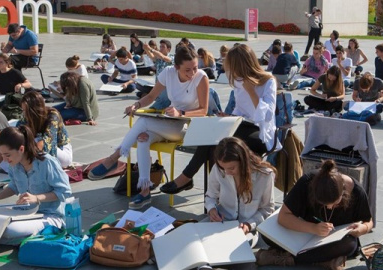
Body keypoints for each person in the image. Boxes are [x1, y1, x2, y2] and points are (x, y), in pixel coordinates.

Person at [88, 46, 209, 210]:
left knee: (144, 122)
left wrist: (180, 112)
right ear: (176, 67)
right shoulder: (168, 73)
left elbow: (204, 110)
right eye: (188, 69)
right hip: (168, 124)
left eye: (195, 67)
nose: (192, 72)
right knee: (142, 138)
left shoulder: (201, 77)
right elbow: (151, 96)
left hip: (187, 126)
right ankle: (145, 191)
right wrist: (136, 105)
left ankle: (114, 157)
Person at [161, 44, 277, 195]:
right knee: (212, 141)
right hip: (241, 125)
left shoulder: (268, 81)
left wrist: (251, 92)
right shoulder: (238, 80)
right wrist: (229, 116)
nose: (231, 72)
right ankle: (213, 192)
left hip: (260, 131)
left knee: (215, 139)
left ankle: (189, 178)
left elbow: (265, 116)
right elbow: (240, 110)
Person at [256, 159, 373, 268]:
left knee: (349, 245)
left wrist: (363, 228)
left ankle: (285, 259)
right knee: (266, 235)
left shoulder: (356, 191)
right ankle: (325, 261)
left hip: (331, 240)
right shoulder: (306, 182)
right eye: (324, 204)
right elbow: (283, 217)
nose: (329, 207)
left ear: (343, 191)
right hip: (302, 233)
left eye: (335, 203)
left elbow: (369, 221)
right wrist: (313, 228)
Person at [0, 126, 72, 246]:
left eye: (7, 155)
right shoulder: (15, 164)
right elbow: (13, 187)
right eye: (2, 155)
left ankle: (15, 239)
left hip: (49, 215)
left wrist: (36, 198)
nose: (4, 160)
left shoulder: (47, 162)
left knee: (9, 229)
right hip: (24, 212)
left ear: (21, 149)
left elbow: (65, 191)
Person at [204, 137, 275, 261]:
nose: (227, 172)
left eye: (231, 168)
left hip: (247, 230)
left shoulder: (264, 175)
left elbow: (267, 208)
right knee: (194, 242)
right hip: (220, 222)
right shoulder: (218, 168)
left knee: (234, 250)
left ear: (243, 161)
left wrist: (249, 224)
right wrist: (211, 210)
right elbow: (210, 196)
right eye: (223, 168)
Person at [0, 91, 73, 177]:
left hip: (58, 149)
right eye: (23, 110)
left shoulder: (53, 115)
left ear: (35, 109)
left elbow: (47, 142)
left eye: (26, 110)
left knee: (33, 146)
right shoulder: (25, 118)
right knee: (8, 157)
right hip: (34, 147)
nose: (24, 113)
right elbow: (14, 140)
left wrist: (22, 159)